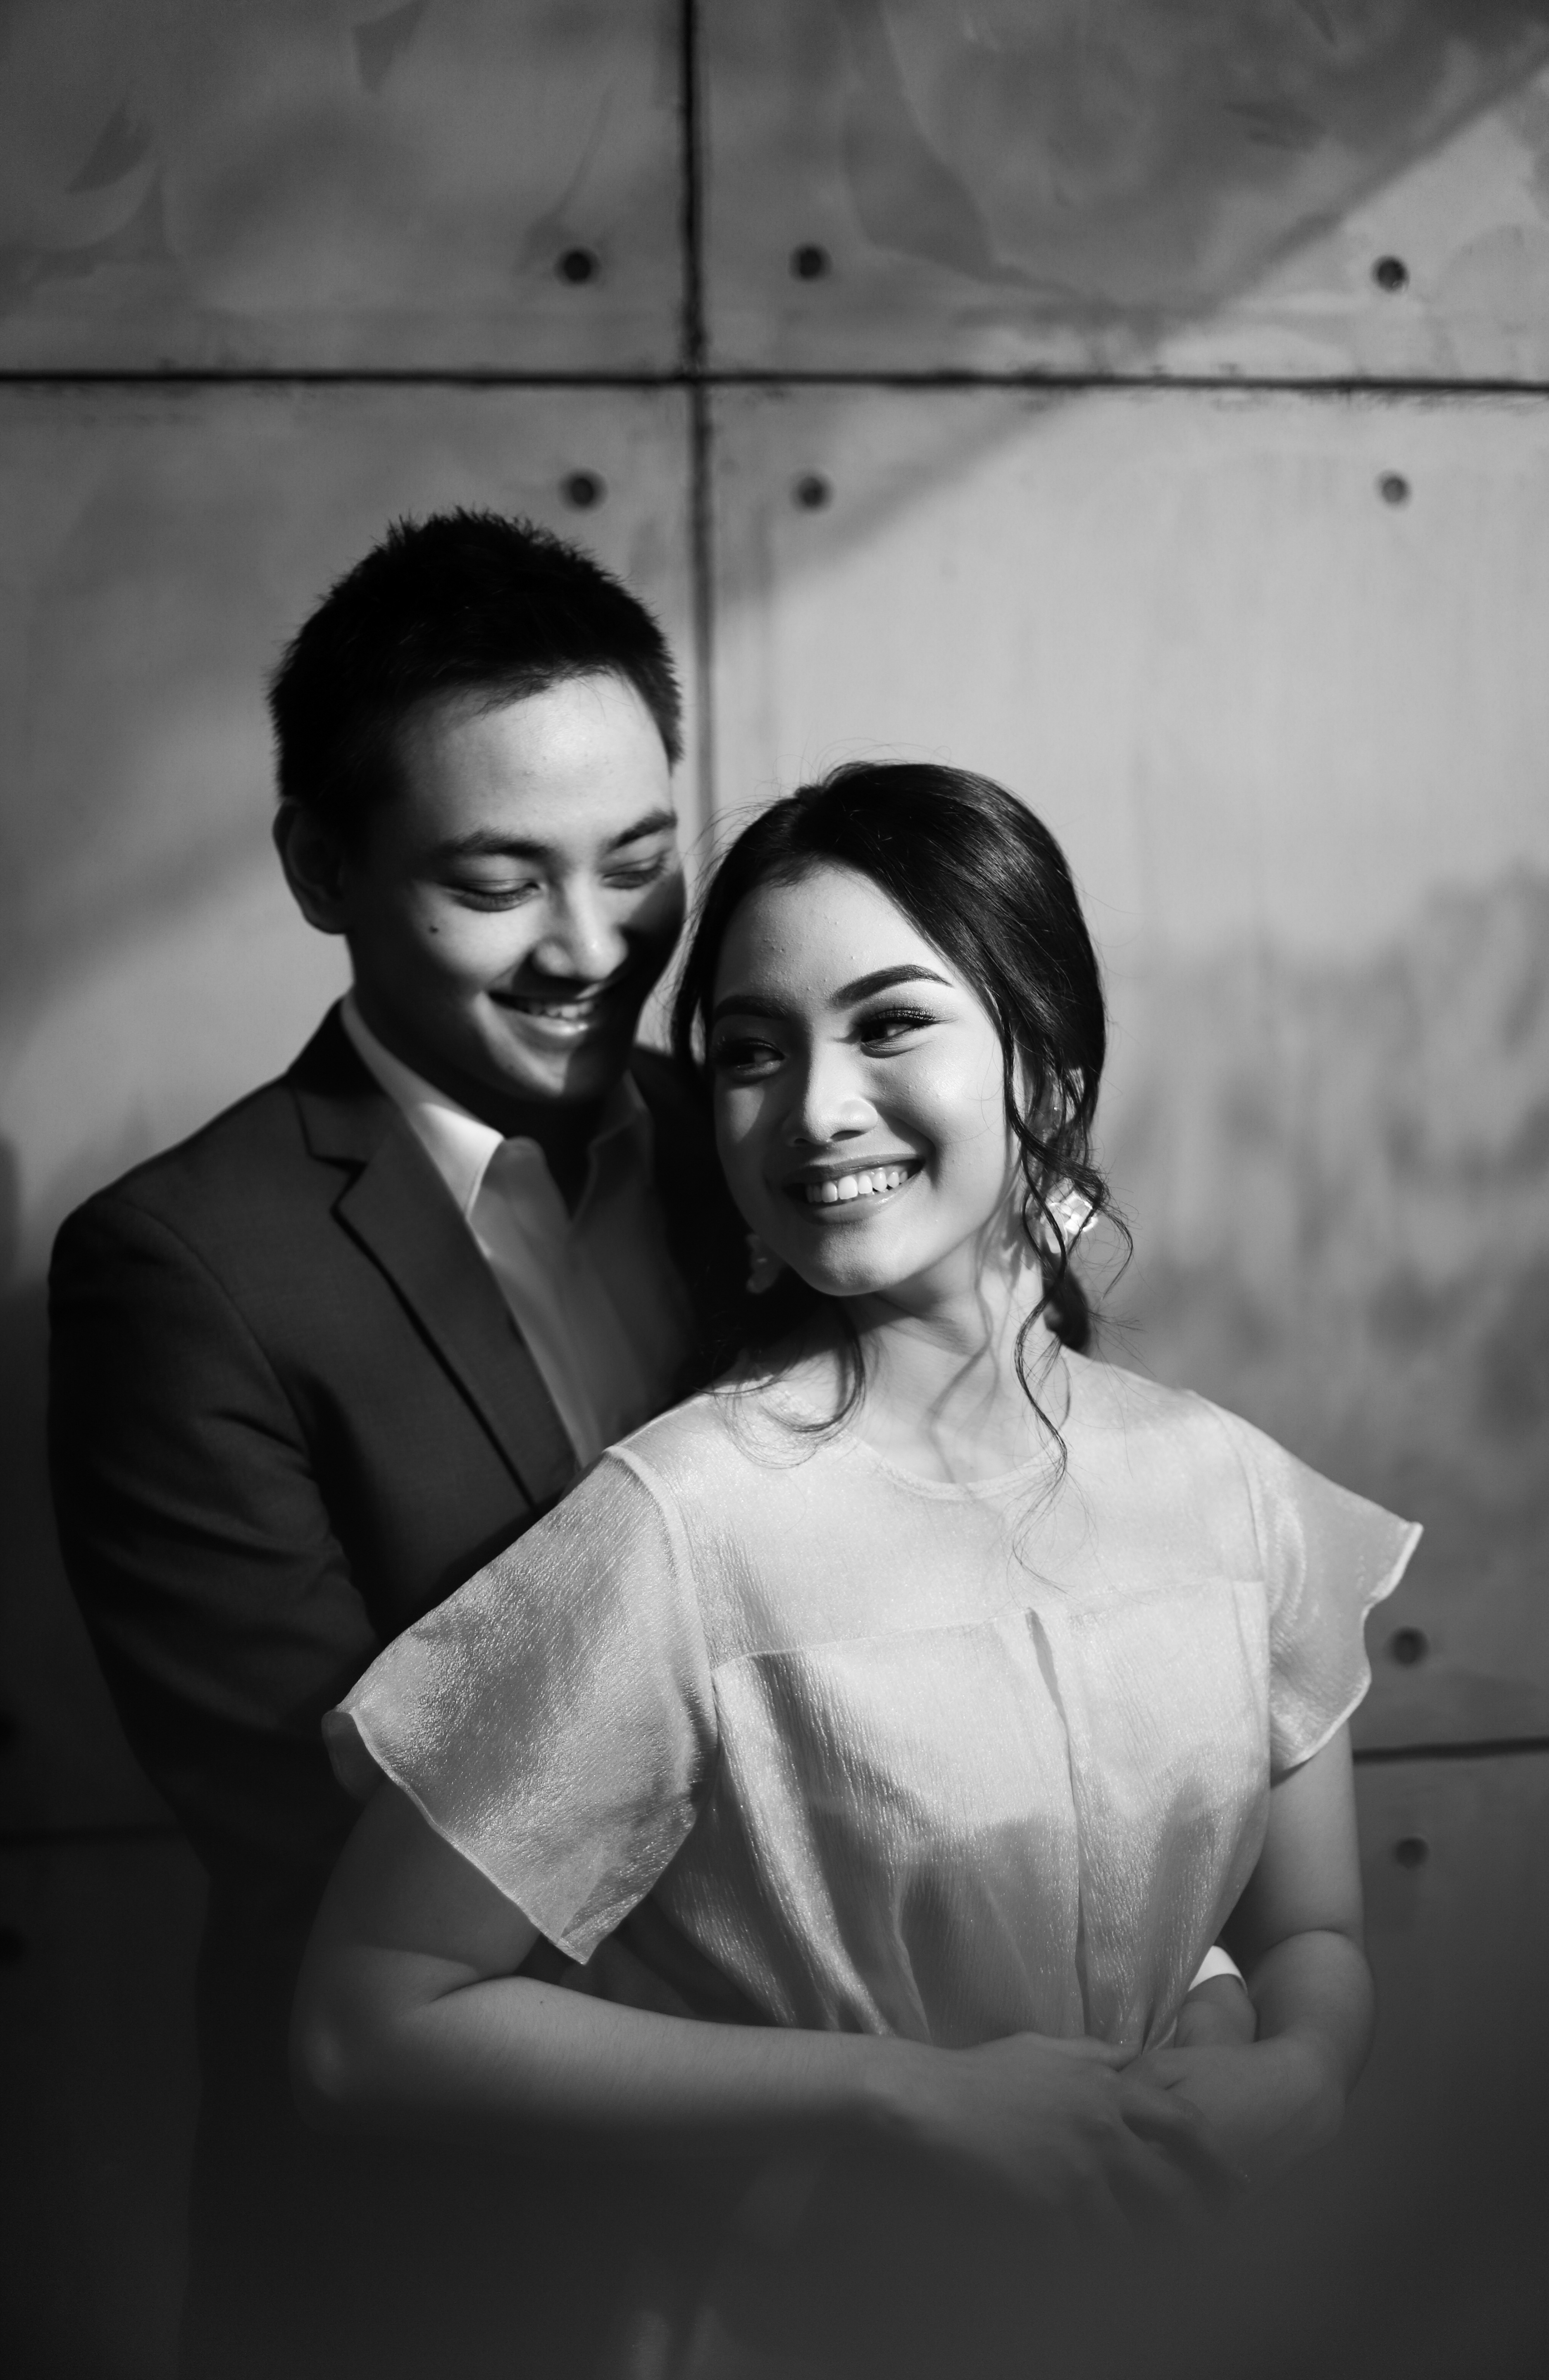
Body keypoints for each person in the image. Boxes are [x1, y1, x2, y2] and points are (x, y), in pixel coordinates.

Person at [293, 762, 1420, 2378]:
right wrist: (896, 2096)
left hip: (1196, 2311)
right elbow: (368, 2017)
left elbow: (1316, 1937)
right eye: (754, 1051)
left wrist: (1302, 2073)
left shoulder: (1233, 1490)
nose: (813, 1108)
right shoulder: (680, 1526)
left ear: (1049, 1067)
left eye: (890, 1025)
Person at [47, 510, 742, 2379]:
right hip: (436, 2266)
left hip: (848, 2260)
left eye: (640, 865)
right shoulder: (181, 1271)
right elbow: (328, 1831)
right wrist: (875, 2067)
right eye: (497, 883)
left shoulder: (766, 1152)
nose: (591, 948)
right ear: (320, 867)